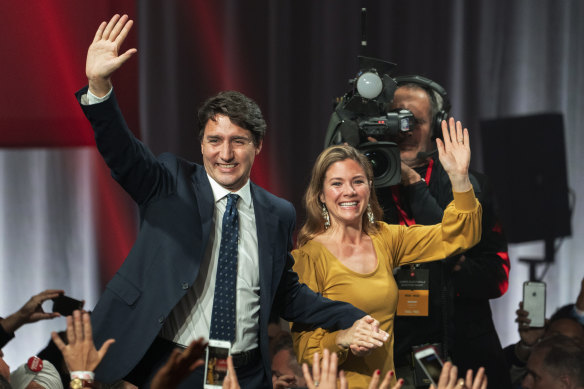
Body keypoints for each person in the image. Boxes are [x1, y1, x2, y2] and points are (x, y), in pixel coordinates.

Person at [77, 14, 382, 388]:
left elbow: (286, 292)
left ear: (257, 146)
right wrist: (99, 86)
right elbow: (123, 154)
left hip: (244, 370)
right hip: (173, 365)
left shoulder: (277, 213)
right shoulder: (170, 181)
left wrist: (348, 316)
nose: (225, 153)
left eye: (238, 140)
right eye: (214, 140)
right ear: (201, 144)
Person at [292, 116, 482, 388]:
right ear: (320, 195)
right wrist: (344, 338)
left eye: (358, 181)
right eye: (336, 184)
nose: (349, 192)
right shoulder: (307, 259)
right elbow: (305, 353)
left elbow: (460, 236)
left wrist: (459, 178)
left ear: (370, 188)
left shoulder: (385, 237)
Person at [372, 75, 510, 388]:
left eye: (414, 122)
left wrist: (452, 265)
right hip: (392, 351)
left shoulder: (470, 187)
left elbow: (497, 277)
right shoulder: (363, 188)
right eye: (396, 121)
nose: (404, 131)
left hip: (462, 352)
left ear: (436, 126)